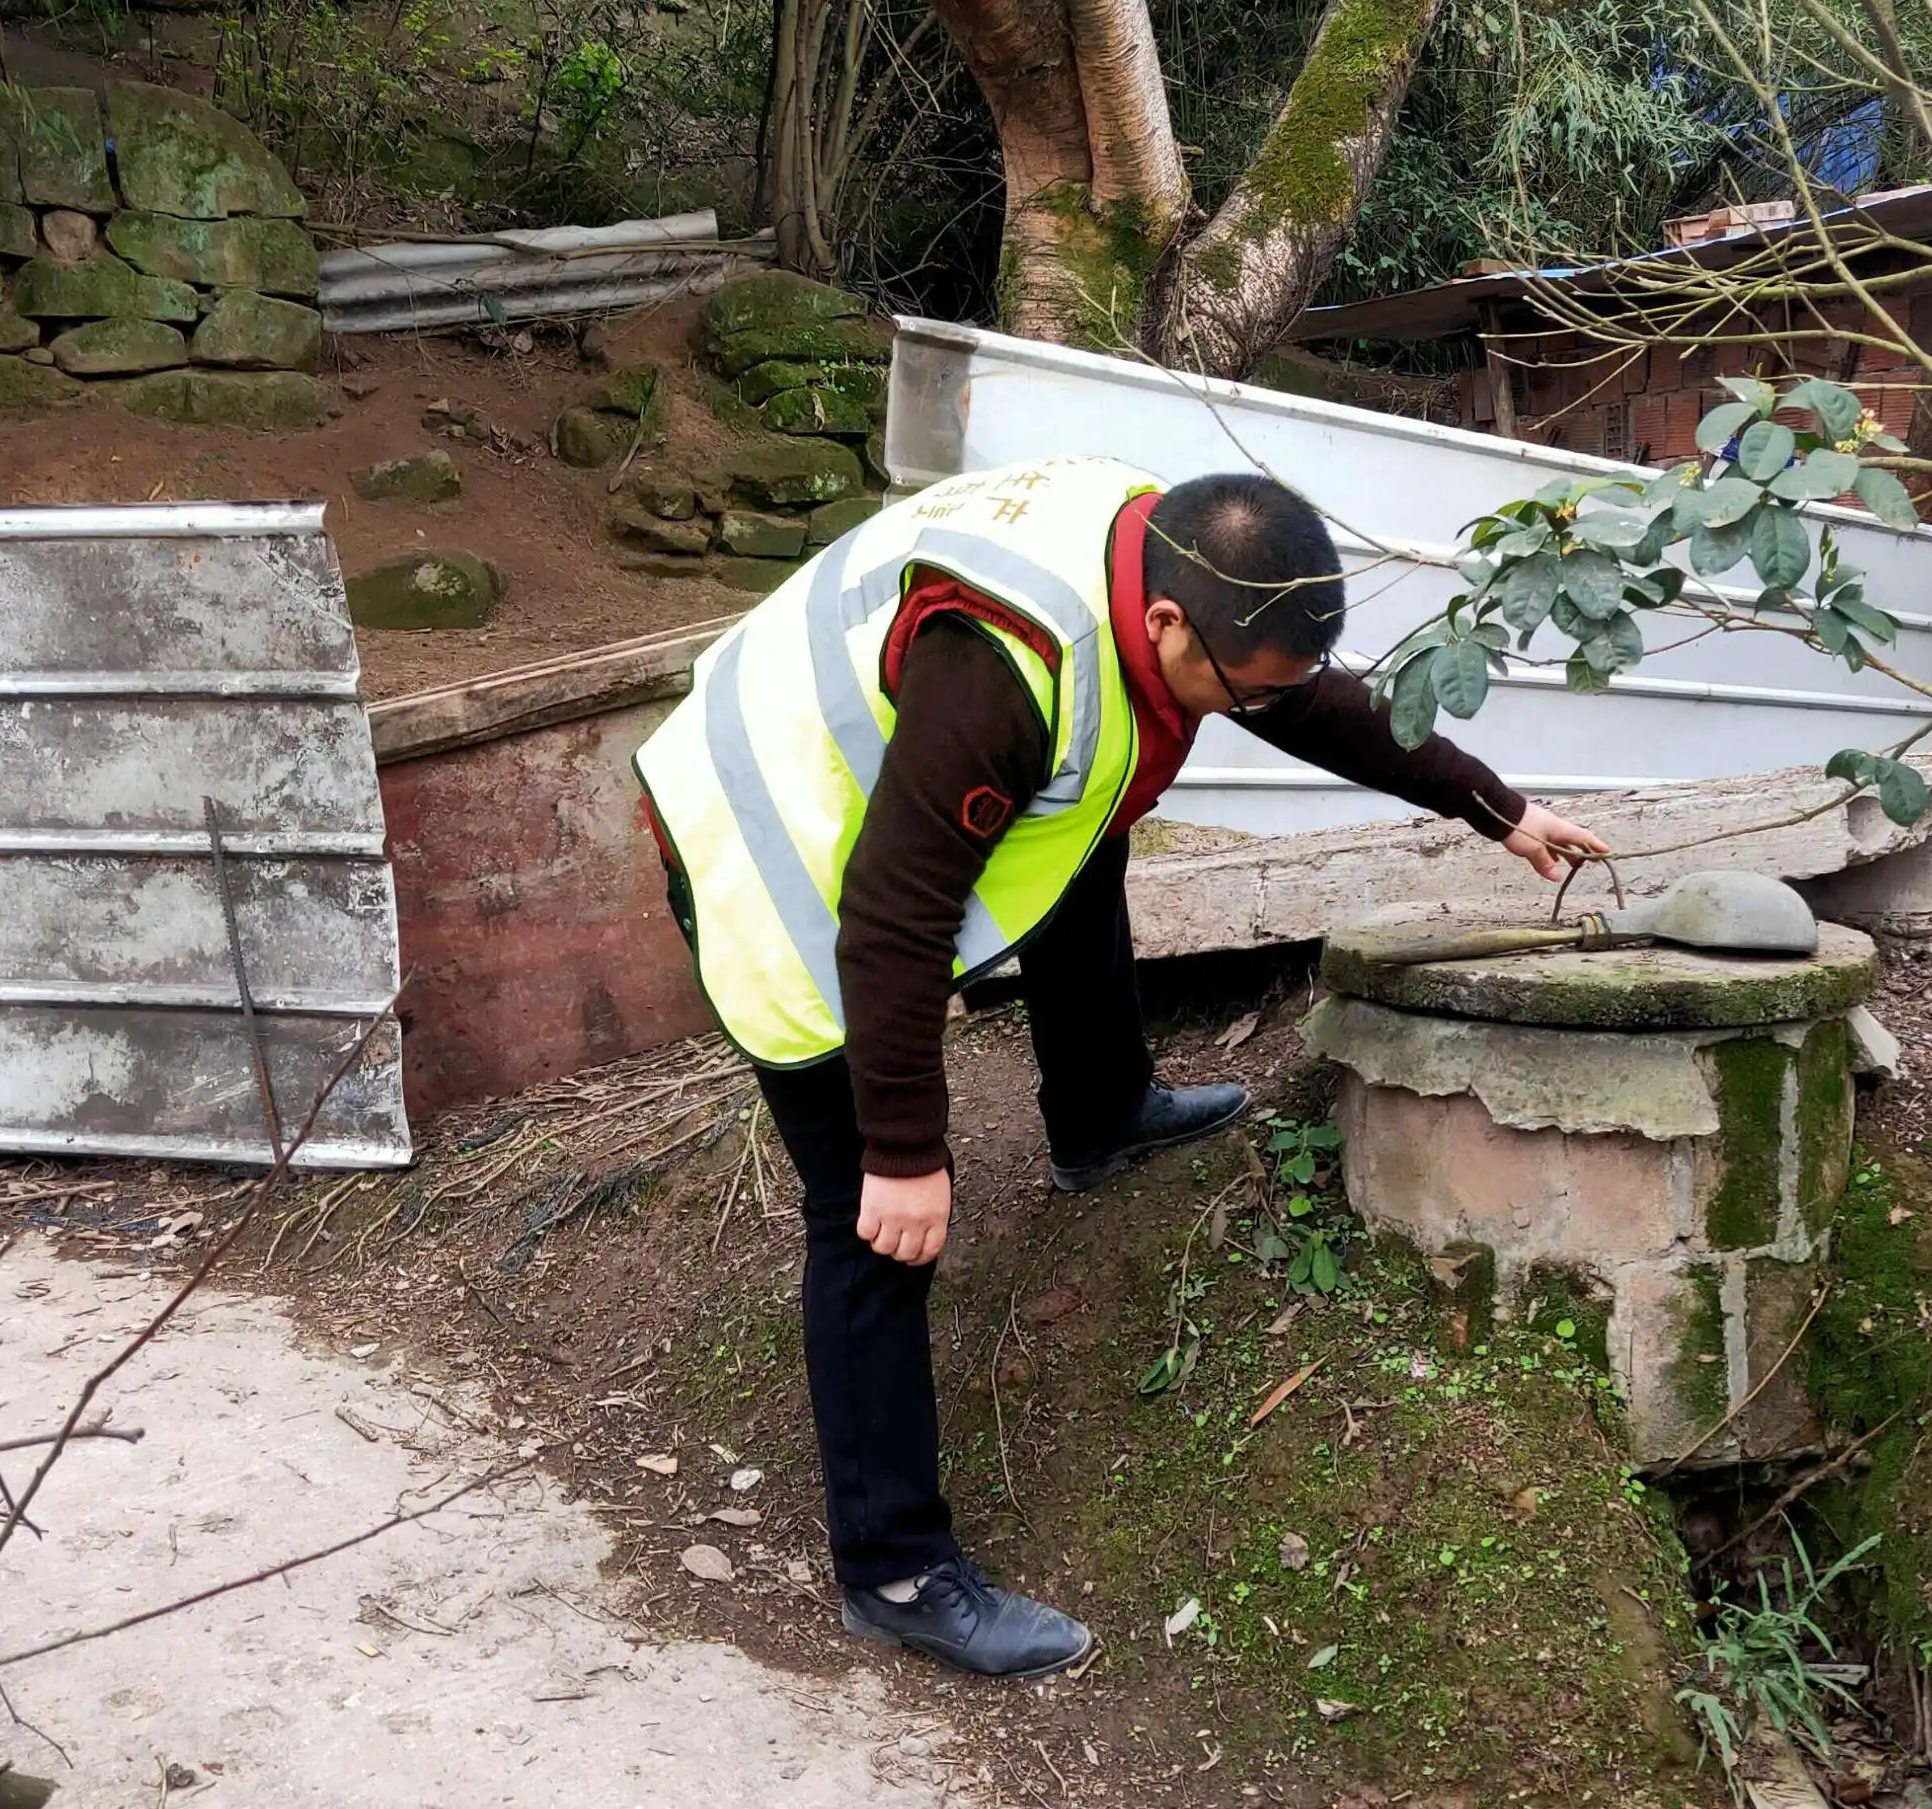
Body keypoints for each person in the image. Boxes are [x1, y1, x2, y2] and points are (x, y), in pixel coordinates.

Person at [633, 455, 1606, 1679]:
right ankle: (892, 1566)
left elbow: (1297, 696)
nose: (1249, 708)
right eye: (1235, 690)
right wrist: (904, 1149)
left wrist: (1492, 804)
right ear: (1165, 624)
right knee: (871, 1226)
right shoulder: (1006, 671)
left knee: (1077, 825)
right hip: (772, 837)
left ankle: (1098, 1113)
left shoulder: (1177, 556)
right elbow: (890, 914)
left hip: (899, 788)